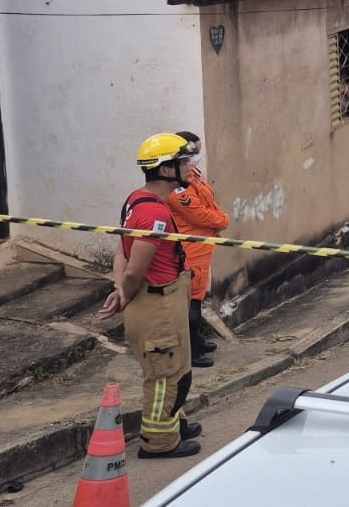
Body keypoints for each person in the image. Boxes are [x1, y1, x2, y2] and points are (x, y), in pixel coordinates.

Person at [98, 133, 203, 459]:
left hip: (164, 298)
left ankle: (174, 422)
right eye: (184, 162)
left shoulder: (137, 200)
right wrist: (124, 291)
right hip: (156, 303)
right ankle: (158, 443)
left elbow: (121, 251)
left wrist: (120, 289)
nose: (190, 168)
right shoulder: (153, 215)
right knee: (163, 375)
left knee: (179, 368)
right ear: (167, 170)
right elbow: (134, 269)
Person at [168, 132, 228, 368]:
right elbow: (196, 213)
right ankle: (190, 352)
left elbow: (207, 203)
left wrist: (217, 219)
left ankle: (198, 341)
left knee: (198, 298)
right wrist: (222, 221)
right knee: (191, 303)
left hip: (203, 245)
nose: (196, 157)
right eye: (193, 153)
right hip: (190, 248)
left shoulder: (192, 175)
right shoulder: (176, 186)